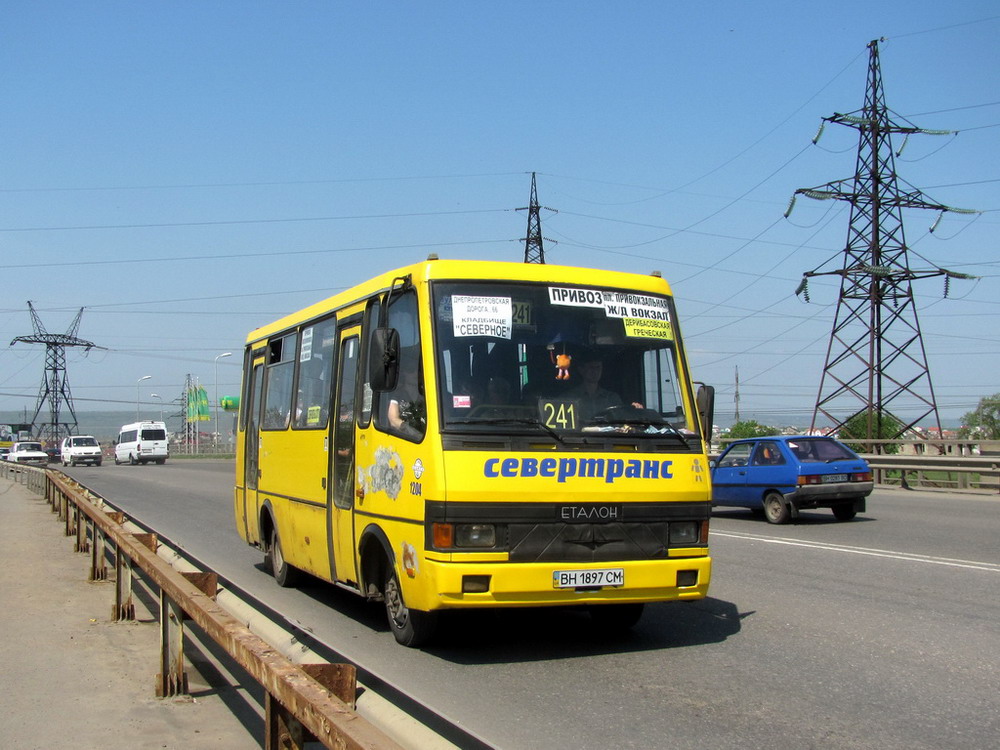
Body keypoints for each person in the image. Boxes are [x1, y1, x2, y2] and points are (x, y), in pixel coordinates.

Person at [568, 356, 640, 423]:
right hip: (578, 436)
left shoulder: (612, 398)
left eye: (598, 367)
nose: (595, 371)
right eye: (591, 367)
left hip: (607, 436)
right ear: (581, 370)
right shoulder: (570, 398)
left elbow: (622, 422)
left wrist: (634, 412)